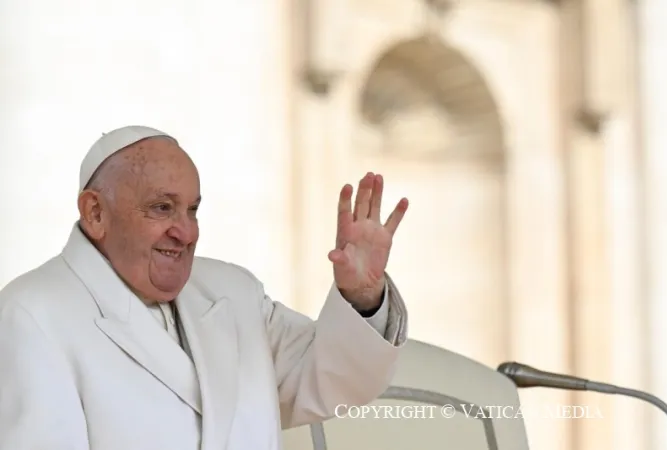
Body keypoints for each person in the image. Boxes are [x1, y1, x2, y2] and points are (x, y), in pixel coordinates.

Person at [0, 125, 410, 450]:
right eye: (162, 208)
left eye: (192, 210)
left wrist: (360, 296)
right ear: (95, 213)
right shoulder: (32, 315)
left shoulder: (233, 292)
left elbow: (330, 384)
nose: (186, 232)